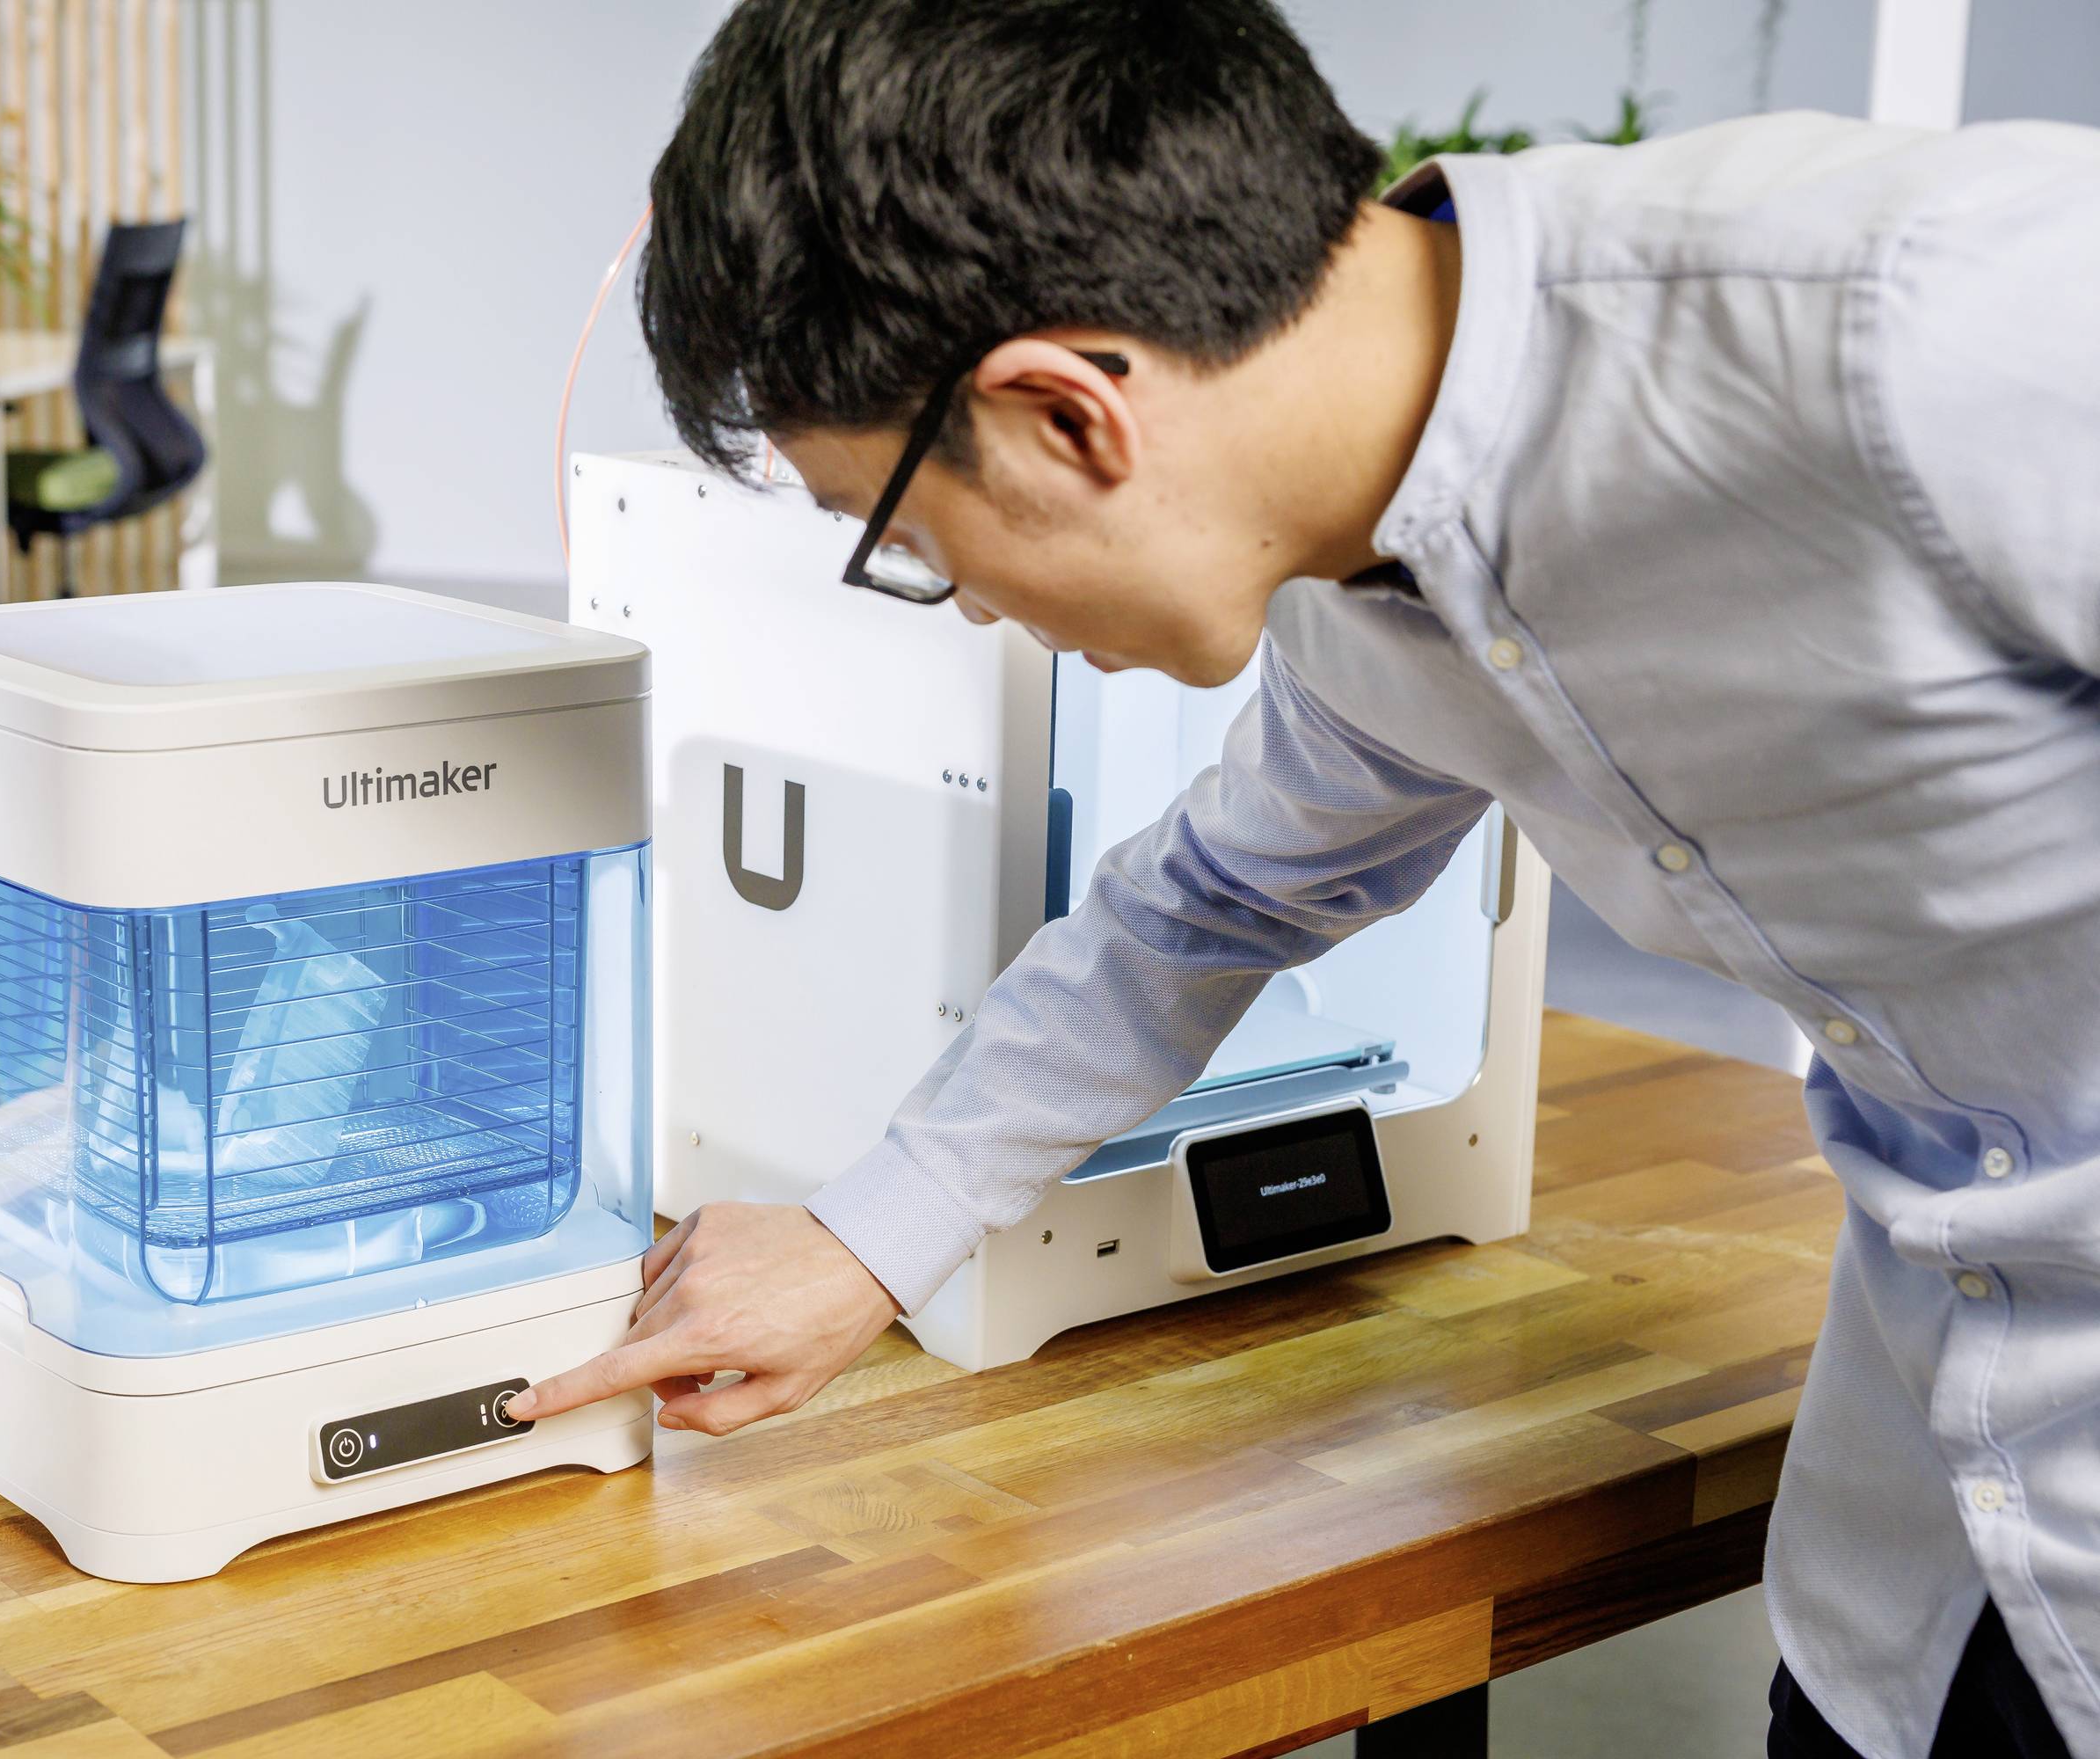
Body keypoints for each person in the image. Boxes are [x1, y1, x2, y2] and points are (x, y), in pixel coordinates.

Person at [500, 4, 2100, 1754]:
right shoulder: (1368, 583)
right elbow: (1206, 905)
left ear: (1065, 416)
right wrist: (862, 1238)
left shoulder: (1950, 328)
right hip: (1930, 1566)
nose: (967, 608)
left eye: (913, 546)